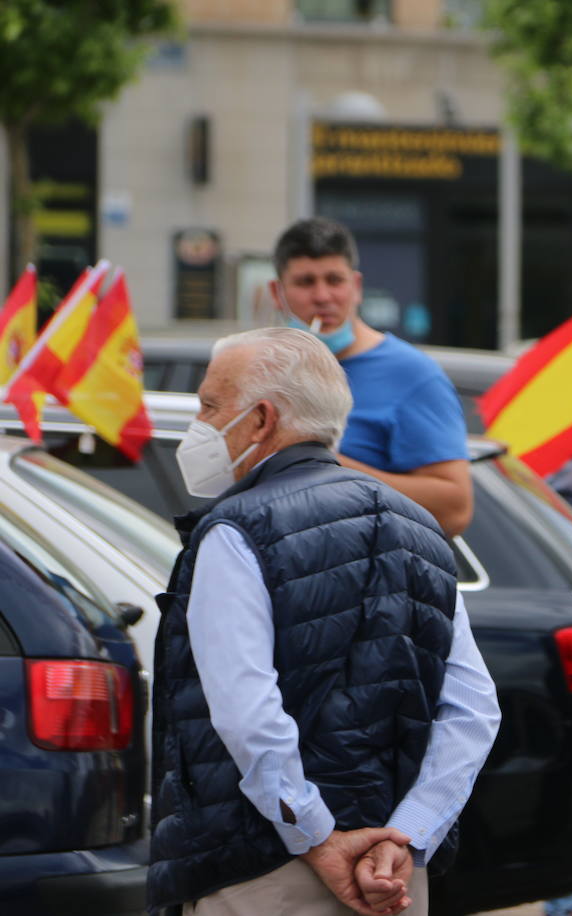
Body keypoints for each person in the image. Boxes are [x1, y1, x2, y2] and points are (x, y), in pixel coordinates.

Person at [147, 328, 501, 916]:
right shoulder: (421, 529)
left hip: (261, 869)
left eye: (211, 406)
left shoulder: (236, 531)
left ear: (260, 420)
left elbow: (247, 712)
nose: (200, 422)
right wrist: (406, 835)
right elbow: (472, 708)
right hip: (392, 877)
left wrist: (316, 835)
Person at [270, 217, 473, 537]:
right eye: (305, 282)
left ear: (357, 287)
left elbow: (455, 509)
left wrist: (327, 467)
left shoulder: (412, 375)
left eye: (334, 280)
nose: (322, 296)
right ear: (276, 292)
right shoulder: (266, 371)